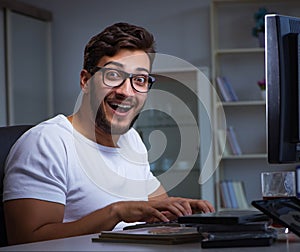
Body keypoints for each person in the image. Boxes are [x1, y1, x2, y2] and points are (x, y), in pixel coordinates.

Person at [3, 22, 214, 245]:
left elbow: (158, 204)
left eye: (139, 79)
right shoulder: (47, 143)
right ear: (85, 80)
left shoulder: (131, 140)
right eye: (113, 75)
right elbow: (26, 242)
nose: (126, 91)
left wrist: (181, 209)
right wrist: (114, 213)